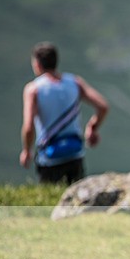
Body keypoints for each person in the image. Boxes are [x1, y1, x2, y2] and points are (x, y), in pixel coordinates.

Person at [20, 42, 109, 184]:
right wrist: (93, 128)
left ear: (37, 64)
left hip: (49, 158)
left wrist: (26, 150)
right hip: (75, 154)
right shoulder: (74, 82)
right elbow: (102, 106)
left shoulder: (33, 89)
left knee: (49, 202)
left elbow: (28, 126)